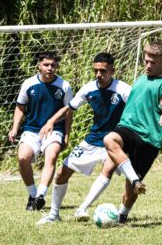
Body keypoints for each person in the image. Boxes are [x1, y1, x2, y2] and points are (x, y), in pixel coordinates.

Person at [36, 52, 131, 225]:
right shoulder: (89, 89)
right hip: (93, 139)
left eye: (103, 71)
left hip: (116, 140)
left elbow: (137, 109)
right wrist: (51, 121)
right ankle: (53, 215)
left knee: (108, 169)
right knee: (61, 173)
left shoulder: (124, 89)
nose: (98, 75)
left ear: (112, 70)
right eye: (95, 71)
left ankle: (83, 208)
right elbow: (69, 108)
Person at [103, 42, 162, 223]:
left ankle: (122, 214)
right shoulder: (142, 77)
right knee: (109, 139)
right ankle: (134, 179)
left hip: (149, 138)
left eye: (153, 63)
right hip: (129, 128)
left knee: (129, 189)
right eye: (146, 61)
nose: (148, 65)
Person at [8, 51, 73, 211]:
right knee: (23, 158)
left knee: (51, 156)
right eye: (46, 65)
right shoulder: (28, 84)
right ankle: (32, 195)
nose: (50, 68)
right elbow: (20, 107)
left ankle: (41, 196)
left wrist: (66, 135)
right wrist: (15, 128)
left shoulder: (64, 86)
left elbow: (68, 112)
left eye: (53, 65)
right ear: (39, 65)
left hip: (54, 130)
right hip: (31, 129)